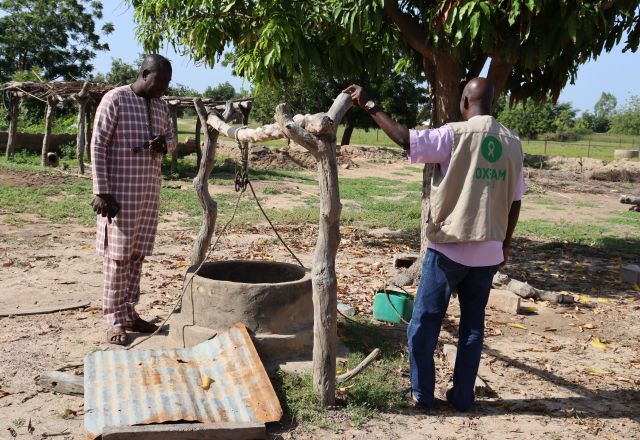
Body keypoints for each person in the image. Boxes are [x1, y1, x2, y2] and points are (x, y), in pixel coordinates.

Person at [344, 78, 524, 411]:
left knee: (424, 325)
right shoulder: (513, 143)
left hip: (448, 250)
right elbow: (515, 202)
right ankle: (463, 397)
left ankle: (422, 394)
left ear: (465, 102)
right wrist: (506, 246)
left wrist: (368, 104)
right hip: (488, 253)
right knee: (472, 326)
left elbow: (404, 138)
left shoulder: (452, 134)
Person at [91, 54, 176, 345]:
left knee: (137, 256)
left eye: (167, 83)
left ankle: (129, 313)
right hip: (119, 194)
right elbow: (98, 145)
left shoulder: (162, 107)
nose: (163, 88)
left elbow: (172, 139)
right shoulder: (114, 99)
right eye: (160, 82)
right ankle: (113, 320)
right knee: (118, 258)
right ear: (144, 74)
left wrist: (164, 144)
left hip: (148, 192)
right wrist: (101, 190)